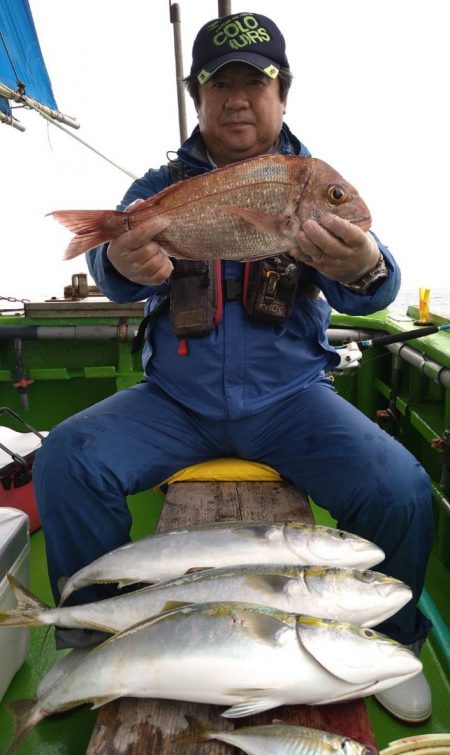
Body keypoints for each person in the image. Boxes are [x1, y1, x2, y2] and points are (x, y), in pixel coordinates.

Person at [33, 11, 433, 723]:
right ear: (198, 96)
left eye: (257, 81)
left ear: (284, 95)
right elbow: (115, 264)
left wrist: (368, 264)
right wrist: (115, 259)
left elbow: (374, 277)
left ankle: (391, 639)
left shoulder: (308, 181)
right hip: (174, 403)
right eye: (221, 84)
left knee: (401, 486)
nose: (238, 98)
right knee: (67, 458)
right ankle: (87, 633)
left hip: (291, 403)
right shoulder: (161, 184)